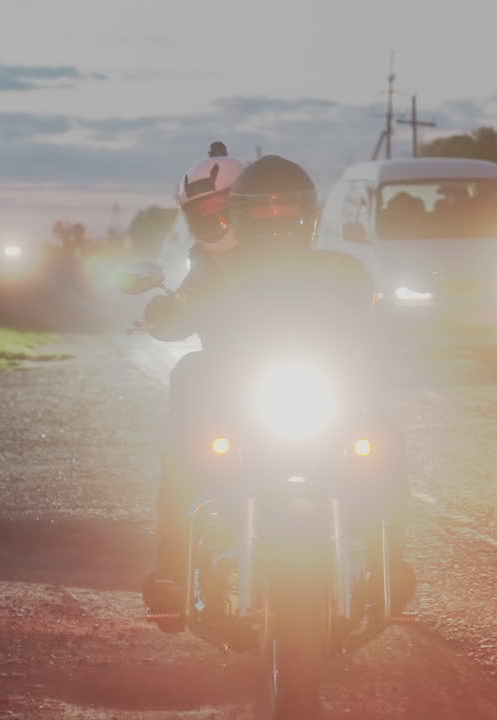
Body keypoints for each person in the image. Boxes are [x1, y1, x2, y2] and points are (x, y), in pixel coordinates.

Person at [140, 153, 415, 631]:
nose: (274, 224)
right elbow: (183, 306)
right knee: (188, 393)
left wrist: (394, 323)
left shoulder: (341, 270)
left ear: (307, 216)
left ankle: (391, 560)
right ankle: (173, 569)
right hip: (239, 395)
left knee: (381, 434)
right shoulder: (215, 272)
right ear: (242, 218)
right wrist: (167, 313)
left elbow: (378, 311)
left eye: (284, 214)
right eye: (262, 215)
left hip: (322, 392)